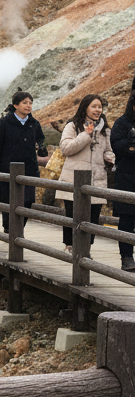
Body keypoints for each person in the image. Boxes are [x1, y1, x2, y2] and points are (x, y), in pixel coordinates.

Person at [58, 94, 113, 255]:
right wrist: (86, 135)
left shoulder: (105, 130)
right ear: (85, 107)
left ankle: (85, 251)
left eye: (100, 107)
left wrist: (110, 159)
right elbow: (66, 148)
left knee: (93, 218)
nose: (98, 110)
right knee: (73, 216)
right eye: (94, 106)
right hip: (74, 178)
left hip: (97, 180)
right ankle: (71, 248)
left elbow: (108, 150)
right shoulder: (73, 126)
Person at [0, 91, 45, 235]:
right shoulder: (4, 123)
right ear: (15, 105)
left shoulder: (34, 123)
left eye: (30, 103)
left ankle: (18, 228)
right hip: (8, 167)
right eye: (25, 103)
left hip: (29, 168)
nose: (28, 106)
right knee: (7, 200)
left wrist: (42, 148)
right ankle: (9, 228)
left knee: (29, 200)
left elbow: (41, 139)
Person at [111, 90, 135, 273]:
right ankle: (126, 257)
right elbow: (118, 146)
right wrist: (130, 145)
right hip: (127, 178)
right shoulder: (122, 123)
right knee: (127, 219)